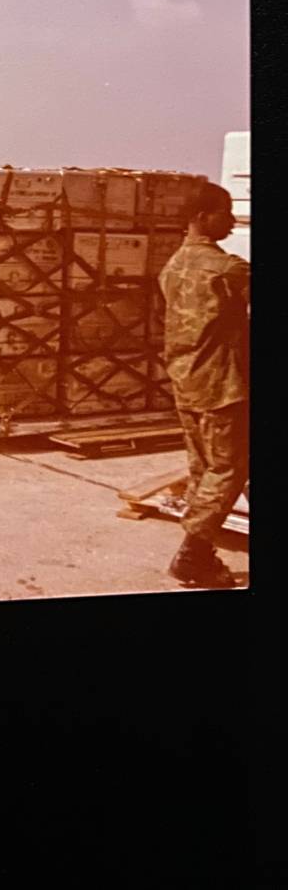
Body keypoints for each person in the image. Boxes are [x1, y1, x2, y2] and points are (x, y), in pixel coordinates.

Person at [159, 182, 249, 589]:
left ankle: (203, 551)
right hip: (222, 385)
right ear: (201, 217)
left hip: (185, 379)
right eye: (224, 213)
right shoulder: (228, 269)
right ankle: (193, 554)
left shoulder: (172, 266)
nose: (231, 221)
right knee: (229, 468)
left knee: (203, 467)